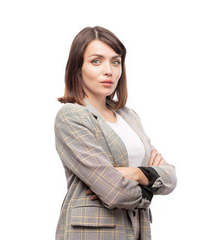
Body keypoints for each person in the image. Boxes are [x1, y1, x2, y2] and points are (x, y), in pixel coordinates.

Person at [54, 26, 177, 240]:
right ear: (77, 69)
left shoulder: (129, 116)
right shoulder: (72, 116)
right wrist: (151, 179)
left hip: (137, 231)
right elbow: (115, 191)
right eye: (96, 61)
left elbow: (171, 176)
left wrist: (137, 174)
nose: (108, 70)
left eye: (115, 61)